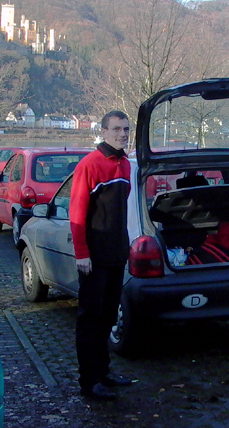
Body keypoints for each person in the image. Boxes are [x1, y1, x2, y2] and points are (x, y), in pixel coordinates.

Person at [70, 110, 133, 400]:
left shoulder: (125, 164)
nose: (122, 134)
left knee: (108, 317)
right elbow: (77, 213)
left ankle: (104, 372)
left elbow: (120, 211)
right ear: (104, 132)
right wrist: (82, 253)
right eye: (117, 129)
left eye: (126, 129)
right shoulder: (90, 165)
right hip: (93, 259)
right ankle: (89, 380)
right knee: (90, 319)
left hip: (116, 254)